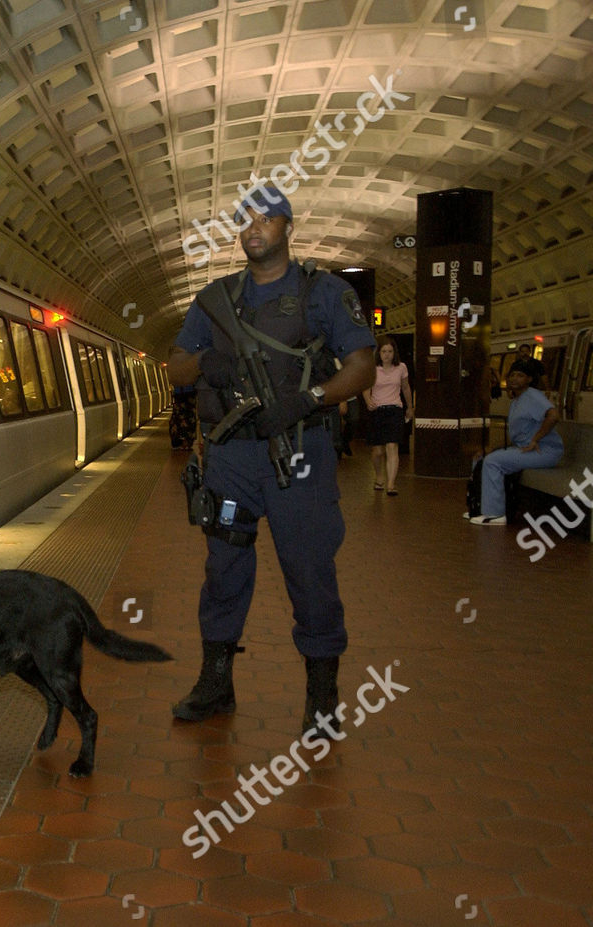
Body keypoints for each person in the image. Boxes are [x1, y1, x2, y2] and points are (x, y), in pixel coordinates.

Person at [167, 184, 377, 737]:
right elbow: (177, 368)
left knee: (309, 569)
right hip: (231, 455)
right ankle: (216, 683)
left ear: (288, 226)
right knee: (224, 567)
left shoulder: (324, 293)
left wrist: (307, 400)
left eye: (266, 218)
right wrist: (208, 362)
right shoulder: (215, 299)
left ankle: (322, 695)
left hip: (301, 451)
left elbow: (361, 368)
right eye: (244, 220)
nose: (253, 228)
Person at [467, 359, 562, 526]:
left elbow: (553, 415)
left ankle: (495, 514)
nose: (514, 379)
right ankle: (478, 507)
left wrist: (535, 439)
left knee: (493, 462)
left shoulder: (532, 395)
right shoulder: (517, 400)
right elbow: (518, 435)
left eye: (520, 375)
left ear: (530, 379)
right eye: (512, 375)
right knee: (480, 458)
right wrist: (493, 448)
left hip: (544, 451)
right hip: (526, 449)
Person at [363, 336, 412, 495]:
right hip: (377, 411)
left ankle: (391, 484)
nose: (387, 354)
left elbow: (405, 388)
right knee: (378, 451)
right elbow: (365, 387)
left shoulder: (401, 368)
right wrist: (367, 400)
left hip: (395, 410)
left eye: (390, 351)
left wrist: (409, 407)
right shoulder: (373, 369)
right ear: (379, 353)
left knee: (392, 447)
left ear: (394, 353)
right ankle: (379, 477)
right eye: (384, 351)